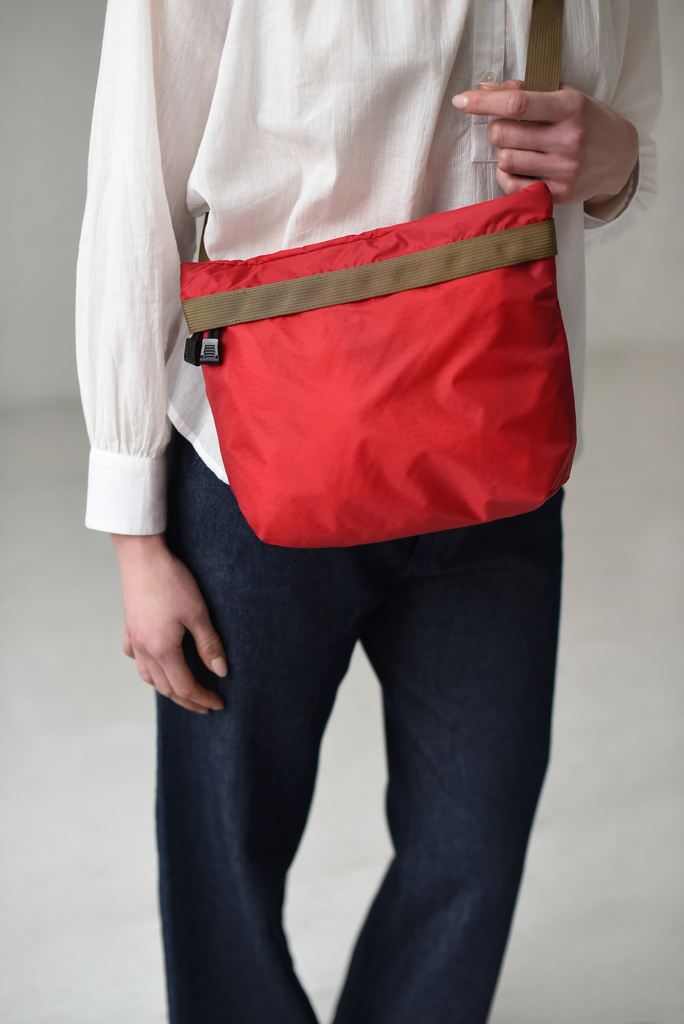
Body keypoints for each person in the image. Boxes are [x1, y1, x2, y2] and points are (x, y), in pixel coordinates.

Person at [76, 2, 661, 1022]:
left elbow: (627, 135)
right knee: (227, 847)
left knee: (473, 842)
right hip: (259, 461)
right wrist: (137, 536)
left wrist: (615, 161)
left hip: (495, 454)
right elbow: (133, 182)